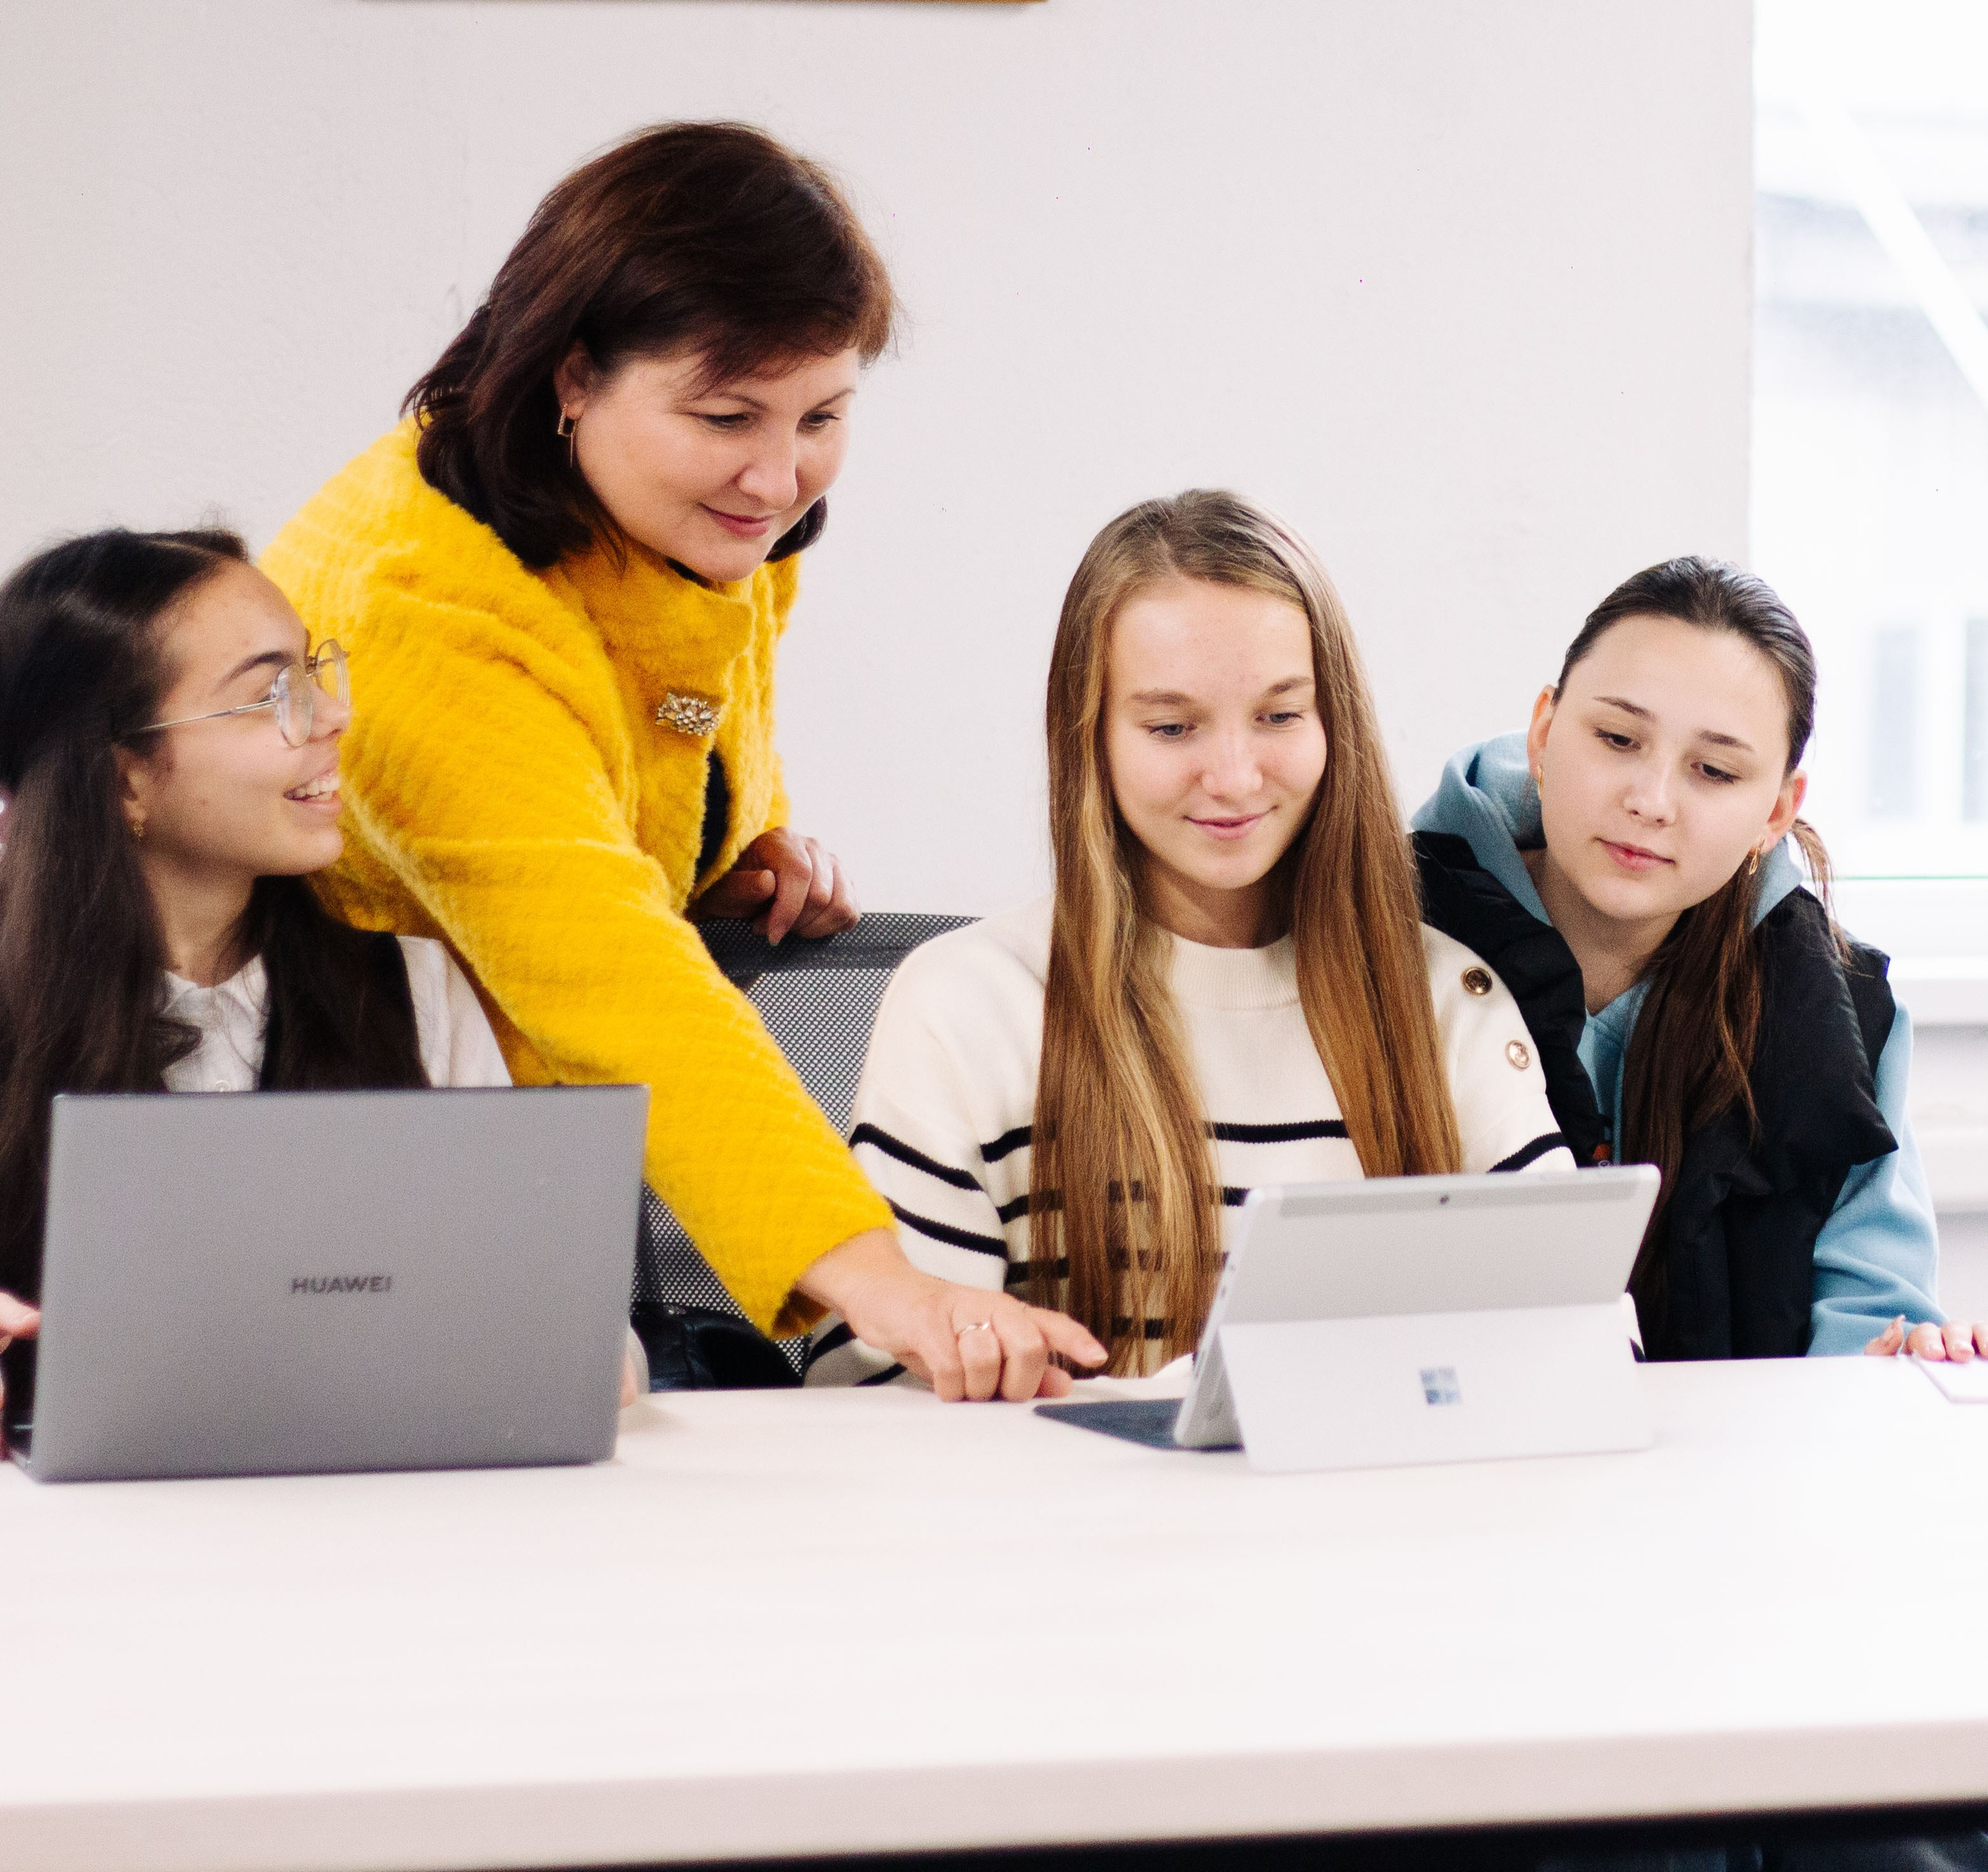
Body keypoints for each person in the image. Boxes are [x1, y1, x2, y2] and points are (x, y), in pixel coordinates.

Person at [260, 121, 1100, 1402]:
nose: (780, 476)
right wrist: (892, 1288)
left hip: (551, 1152)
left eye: (825, 414)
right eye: (727, 416)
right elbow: (615, 975)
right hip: (355, 1150)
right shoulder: (413, 607)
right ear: (573, 377)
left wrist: (727, 851)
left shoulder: (708, 518)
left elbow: (687, 732)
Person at [808, 491, 1571, 1384]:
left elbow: (1578, 1337)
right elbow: (866, 1396)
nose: (1236, 776)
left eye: (1281, 715)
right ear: (1087, 736)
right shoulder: (964, 1003)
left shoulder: (1449, 998)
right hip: (1063, 1516)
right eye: (1171, 727)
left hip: (1372, 1519)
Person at [0, 527, 516, 1443]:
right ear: (124, 777)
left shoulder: (412, 986)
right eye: (270, 693)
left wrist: (590, 1351)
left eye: (315, 672)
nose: (330, 718)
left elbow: (536, 1301)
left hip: (353, 1508)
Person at [1412, 555, 1986, 1363]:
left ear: (1776, 810)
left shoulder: (1844, 1016)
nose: (1650, 799)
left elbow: (1870, 1314)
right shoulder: (1374, 933)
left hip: (1738, 1479)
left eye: (1713, 770)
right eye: (1615, 738)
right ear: (1543, 732)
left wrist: (1898, 1361)